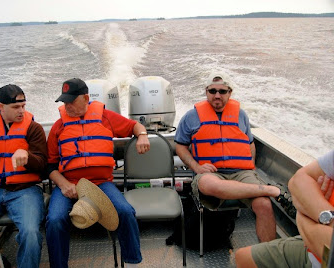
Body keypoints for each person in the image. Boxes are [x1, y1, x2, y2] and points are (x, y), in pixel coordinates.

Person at [175, 71, 294, 242]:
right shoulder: (191, 117)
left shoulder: (241, 115)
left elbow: (250, 143)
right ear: (206, 91)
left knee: (264, 204)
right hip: (211, 173)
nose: (217, 95)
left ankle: (267, 255)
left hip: (241, 173)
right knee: (209, 185)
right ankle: (273, 190)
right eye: (212, 91)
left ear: (230, 92)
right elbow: (180, 145)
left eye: (222, 91)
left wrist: (251, 167)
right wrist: (196, 167)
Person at [46, 78, 150, 268]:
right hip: (68, 184)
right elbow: (50, 166)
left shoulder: (106, 117)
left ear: (85, 98)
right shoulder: (58, 126)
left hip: (101, 184)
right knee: (54, 220)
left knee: (126, 212)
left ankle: (133, 260)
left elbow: (134, 126)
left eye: (71, 100)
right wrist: (63, 185)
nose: (67, 105)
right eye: (64, 101)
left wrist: (142, 135)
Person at [0, 84, 47, 268]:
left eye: (23, 106)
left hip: (26, 191)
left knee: (30, 233)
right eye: (15, 107)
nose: (21, 111)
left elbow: (43, 165)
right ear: (1, 107)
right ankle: (0, 263)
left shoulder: (34, 128)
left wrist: (27, 156)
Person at [235, 149, 334, 268]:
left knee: (263, 204)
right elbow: (298, 179)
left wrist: (303, 215)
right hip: (315, 239)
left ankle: (272, 190)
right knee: (242, 257)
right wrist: (326, 217)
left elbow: (326, 247)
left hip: (320, 253)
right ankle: (273, 191)